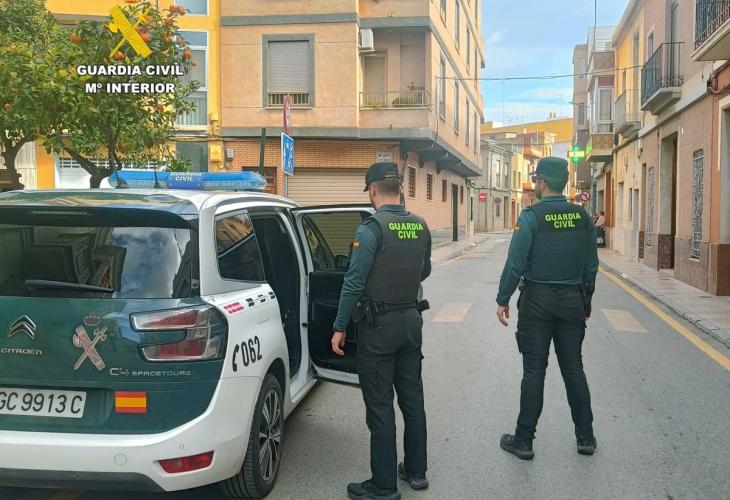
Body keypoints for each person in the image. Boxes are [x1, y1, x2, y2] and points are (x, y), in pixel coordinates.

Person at [332, 162, 432, 500]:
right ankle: (416, 472)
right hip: (411, 323)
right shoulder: (420, 225)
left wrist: (339, 326)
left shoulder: (371, 229)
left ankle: (384, 485)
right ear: (400, 189)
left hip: (379, 329)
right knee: (412, 399)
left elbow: (353, 282)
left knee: (379, 405)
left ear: (372, 190)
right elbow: (425, 270)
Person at [495, 157, 599, 460]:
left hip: (537, 301)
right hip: (572, 300)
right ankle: (586, 438)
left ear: (541, 182)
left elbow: (515, 264)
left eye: (536, 180)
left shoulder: (531, 217)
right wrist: (586, 300)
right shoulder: (582, 217)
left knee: (533, 371)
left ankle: (524, 441)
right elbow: (591, 265)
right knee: (574, 369)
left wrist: (503, 298)